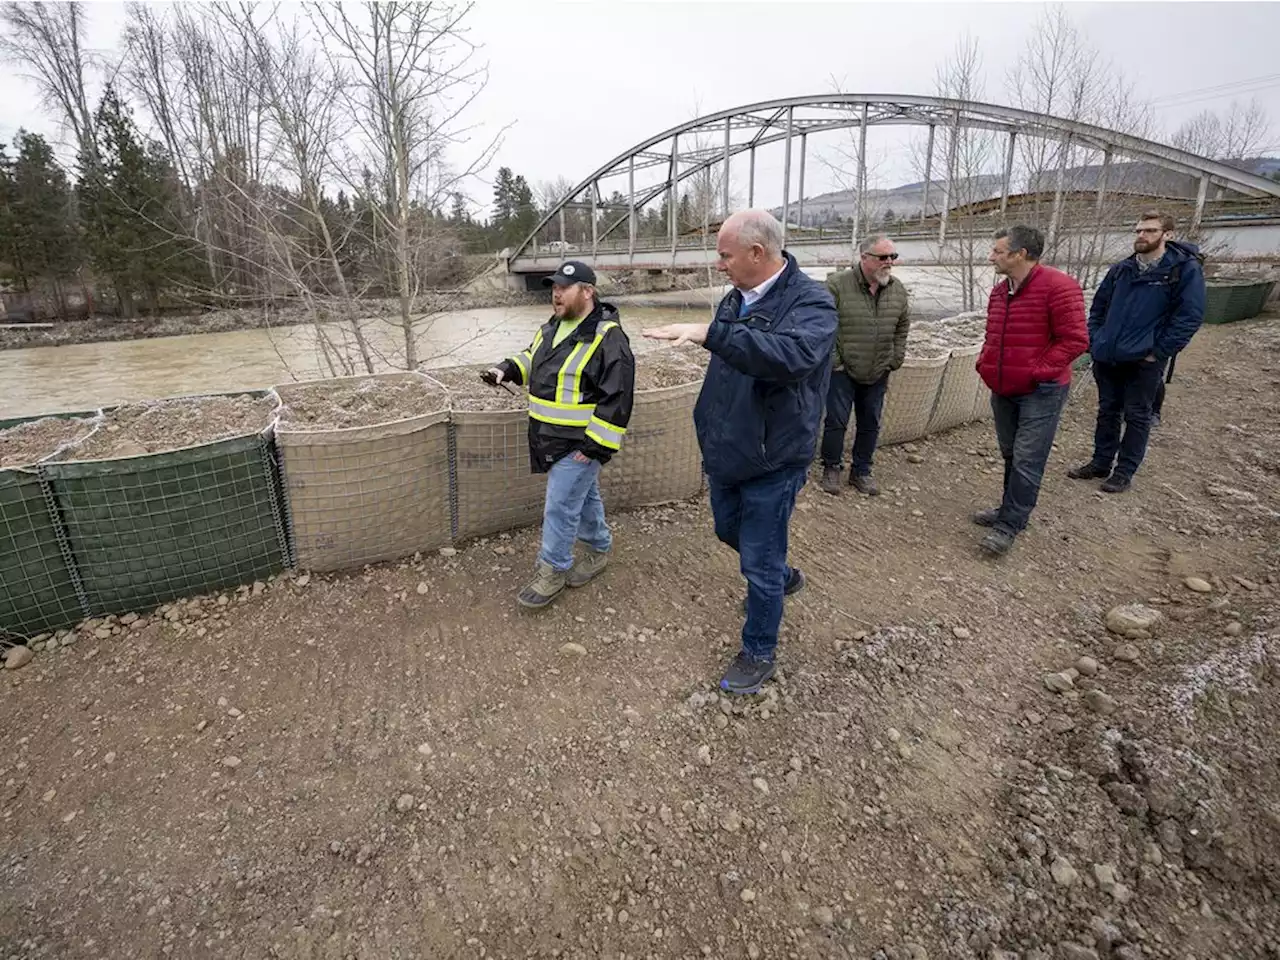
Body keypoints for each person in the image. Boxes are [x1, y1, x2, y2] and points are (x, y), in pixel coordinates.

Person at [641, 210, 837, 694]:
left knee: (758, 561)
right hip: (729, 448)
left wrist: (713, 333)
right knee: (728, 528)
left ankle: (759, 651)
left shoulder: (813, 303)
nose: (719, 263)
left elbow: (791, 357)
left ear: (756, 252)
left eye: (725, 255)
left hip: (774, 455)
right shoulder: (737, 298)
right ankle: (784, 575)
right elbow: (734, 363)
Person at [484, 260, 635, 609]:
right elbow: (534, 358)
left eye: (563, 288)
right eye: (553, 288)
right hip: (548, 437)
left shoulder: (608, 337)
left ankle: (552, 570)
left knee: (559, 507)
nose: (556, 293)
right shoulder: (554, 326)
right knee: (583, 499)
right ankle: (598, 549)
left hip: (578, 444)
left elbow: (618, 397)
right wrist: (506, 369)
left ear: (587, 291)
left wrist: (594, 448)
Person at [1067, 211, 1205, 492]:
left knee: (1137, 414)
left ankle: (1125, 471)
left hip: (1144, 359)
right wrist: (1096, 339)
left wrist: (1158, 352)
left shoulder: (1182, 270)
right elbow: (1098, 308)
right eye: (1139, 230)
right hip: (1108, 354)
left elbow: (1189, 316)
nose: (1142, 236)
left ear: (1167, 235)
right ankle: (1101, 461)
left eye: (1150, 231)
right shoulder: (1121, 269)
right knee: (1107, 410)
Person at [974, 225, 1088, 556]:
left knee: (1028, 457)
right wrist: (986, 363)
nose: (991, 256)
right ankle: (1009, 508)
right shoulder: (1000, 291)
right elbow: (993, 334)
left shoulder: (1059, 287)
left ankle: (1009, 524)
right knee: (1011, 452)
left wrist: (1037, 372)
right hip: (1004, 385)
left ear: (1020, 254)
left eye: (998, 251)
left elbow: (1075, 340)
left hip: (1041, 390)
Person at [819, 234, 911, 497]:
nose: (889, 262)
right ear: (864, 258)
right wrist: (836, 362)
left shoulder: (897, 289)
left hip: (878, 369)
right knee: (836, 420)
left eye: (892, 257)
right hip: (843, 370)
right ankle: (832, 467)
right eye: (883, 257)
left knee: (870, 421)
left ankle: (861, 470)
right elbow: (824, 326)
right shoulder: (837, 285)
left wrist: (895, 358)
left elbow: (903, 326)